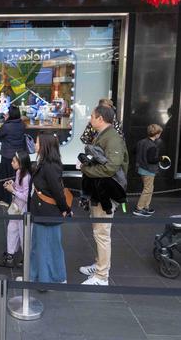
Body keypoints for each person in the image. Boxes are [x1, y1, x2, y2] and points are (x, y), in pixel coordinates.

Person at [79, 105, 128, 286]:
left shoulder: (112, 138)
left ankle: (101, 276)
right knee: (98, 231)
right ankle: (99, 264)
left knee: (102, 233)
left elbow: (111, 168)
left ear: (100, 119)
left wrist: (85, 168)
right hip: (99, 190)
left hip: (106, 192)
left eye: (92, 116)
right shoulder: (104, 135)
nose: (89, 119)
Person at [29, 134, 70, 284]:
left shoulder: (49, 166)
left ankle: (53, 278)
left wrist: (64, 208)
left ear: (44, 145)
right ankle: (36, 276)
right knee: (38, 245)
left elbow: (57, 191)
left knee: (49, 246)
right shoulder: (45, 163)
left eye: (37, 142)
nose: (35, 144)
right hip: (43, 211)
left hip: (47, 211)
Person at [0, 150, 32, 268]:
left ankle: (26, 258)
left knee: (23, 233)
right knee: (11, 228)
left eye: (14, 161)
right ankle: (10, 255)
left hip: (23, 208)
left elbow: (26, 197)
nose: (11, 163)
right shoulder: (19, 173)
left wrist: (13, 191)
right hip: (16, 205)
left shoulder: (26, 177)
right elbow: (19, 188)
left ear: (21, 163)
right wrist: (13, 184)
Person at [0, 105, 27, 207]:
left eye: (8, 113)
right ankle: (15, 197)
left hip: (7, 156)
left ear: (11, 115)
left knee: (5, 177)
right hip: (18, 156)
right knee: (16, 177)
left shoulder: (7, 126)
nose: (6, 114)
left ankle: (5, 199)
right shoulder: (22, 125)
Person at [133, 124, 164, 217]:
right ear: (157, 134)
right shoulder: (152, 146)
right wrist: (160, 158)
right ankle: (139, 208)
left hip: (141, 168)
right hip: (149, 170)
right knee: (147, 189)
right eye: (160, 133)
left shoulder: (141, 142)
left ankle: (146, 206)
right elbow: (151, 160)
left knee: (149, 188)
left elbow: (134, 151)